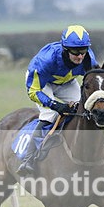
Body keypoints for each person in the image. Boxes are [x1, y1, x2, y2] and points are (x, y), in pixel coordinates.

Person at [17, 25, 97, 176]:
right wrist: (54, 105)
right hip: (42, 84)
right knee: (49, 115)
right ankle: (29, 158)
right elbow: (33, 91)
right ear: (65, 49)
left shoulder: (89, 59)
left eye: (83, 50)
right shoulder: (45, 61)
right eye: (75, 52)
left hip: (67, 82)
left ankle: (99, 153)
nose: (80, 56)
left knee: (86, 109)